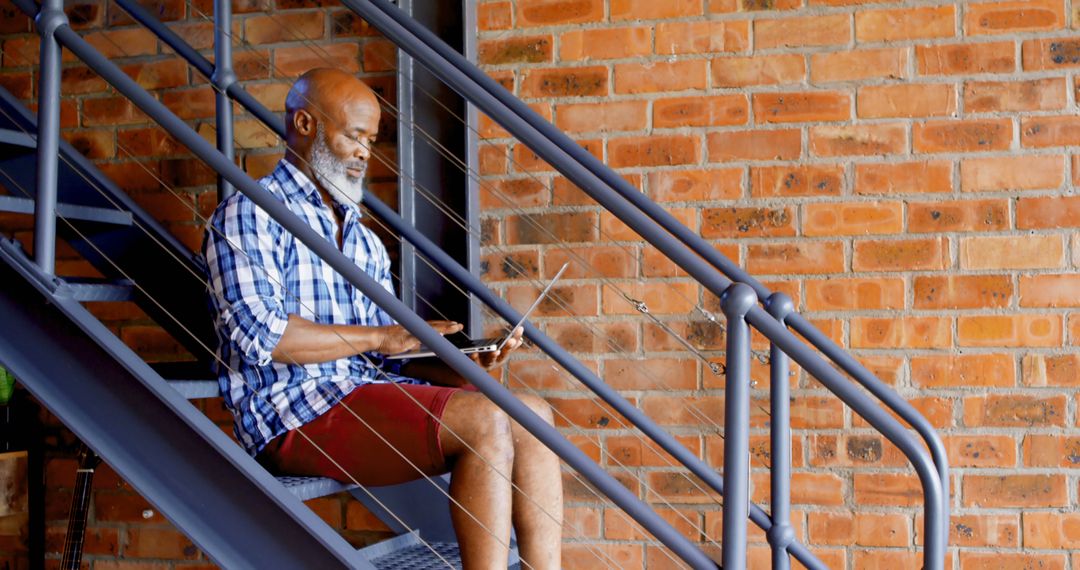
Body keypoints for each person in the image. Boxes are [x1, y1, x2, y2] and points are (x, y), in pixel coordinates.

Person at [203, 68, 562, 569]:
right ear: (304, 124)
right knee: (483, 422)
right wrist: (381, 335)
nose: (364, 152)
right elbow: (262, 335)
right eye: (354, 135)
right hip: (288, 411)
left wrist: (463, 366)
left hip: (358, 391)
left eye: (370, 140)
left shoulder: (365, 240)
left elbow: (382, 359)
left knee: (532, 415)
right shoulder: (249, 214)